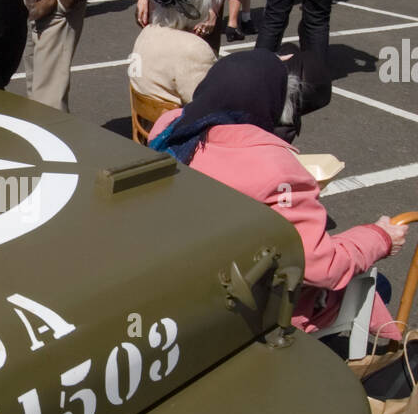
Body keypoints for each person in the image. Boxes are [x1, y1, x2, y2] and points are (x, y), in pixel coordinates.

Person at [149, 50, 408, 340]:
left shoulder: (170, 128)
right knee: (377, 285)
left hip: (186, 278)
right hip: (251, 307)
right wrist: (379, 237)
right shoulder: (276, 169)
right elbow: (323, 267)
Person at [130, 0, 218, 105]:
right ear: (202, 2)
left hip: (146, 122)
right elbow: (206, 105)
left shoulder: (146, 34)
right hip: (175, 126)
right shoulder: (195, 49)